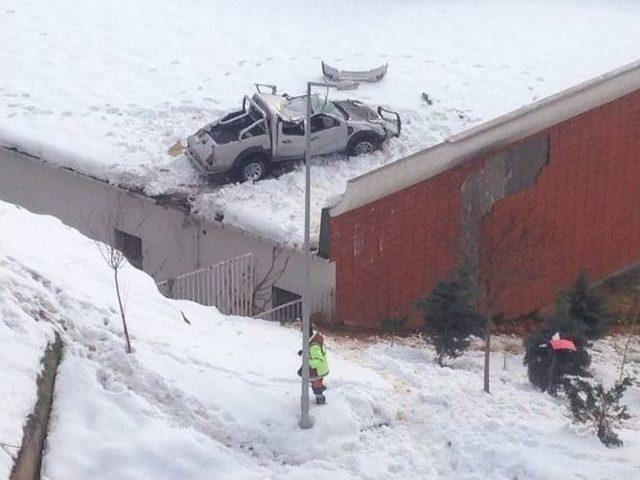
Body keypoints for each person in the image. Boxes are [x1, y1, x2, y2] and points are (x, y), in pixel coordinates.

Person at [298, 325, 329, 405]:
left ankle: (320, 398)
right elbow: (310, 349)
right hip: (318, 368)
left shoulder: (314, 346)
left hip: (318, 370)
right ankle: (320, 387)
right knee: (312, 381)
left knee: (316, 385)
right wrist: (304, 351)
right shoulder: (314, 338)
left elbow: (318, 360)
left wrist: (308, 364)